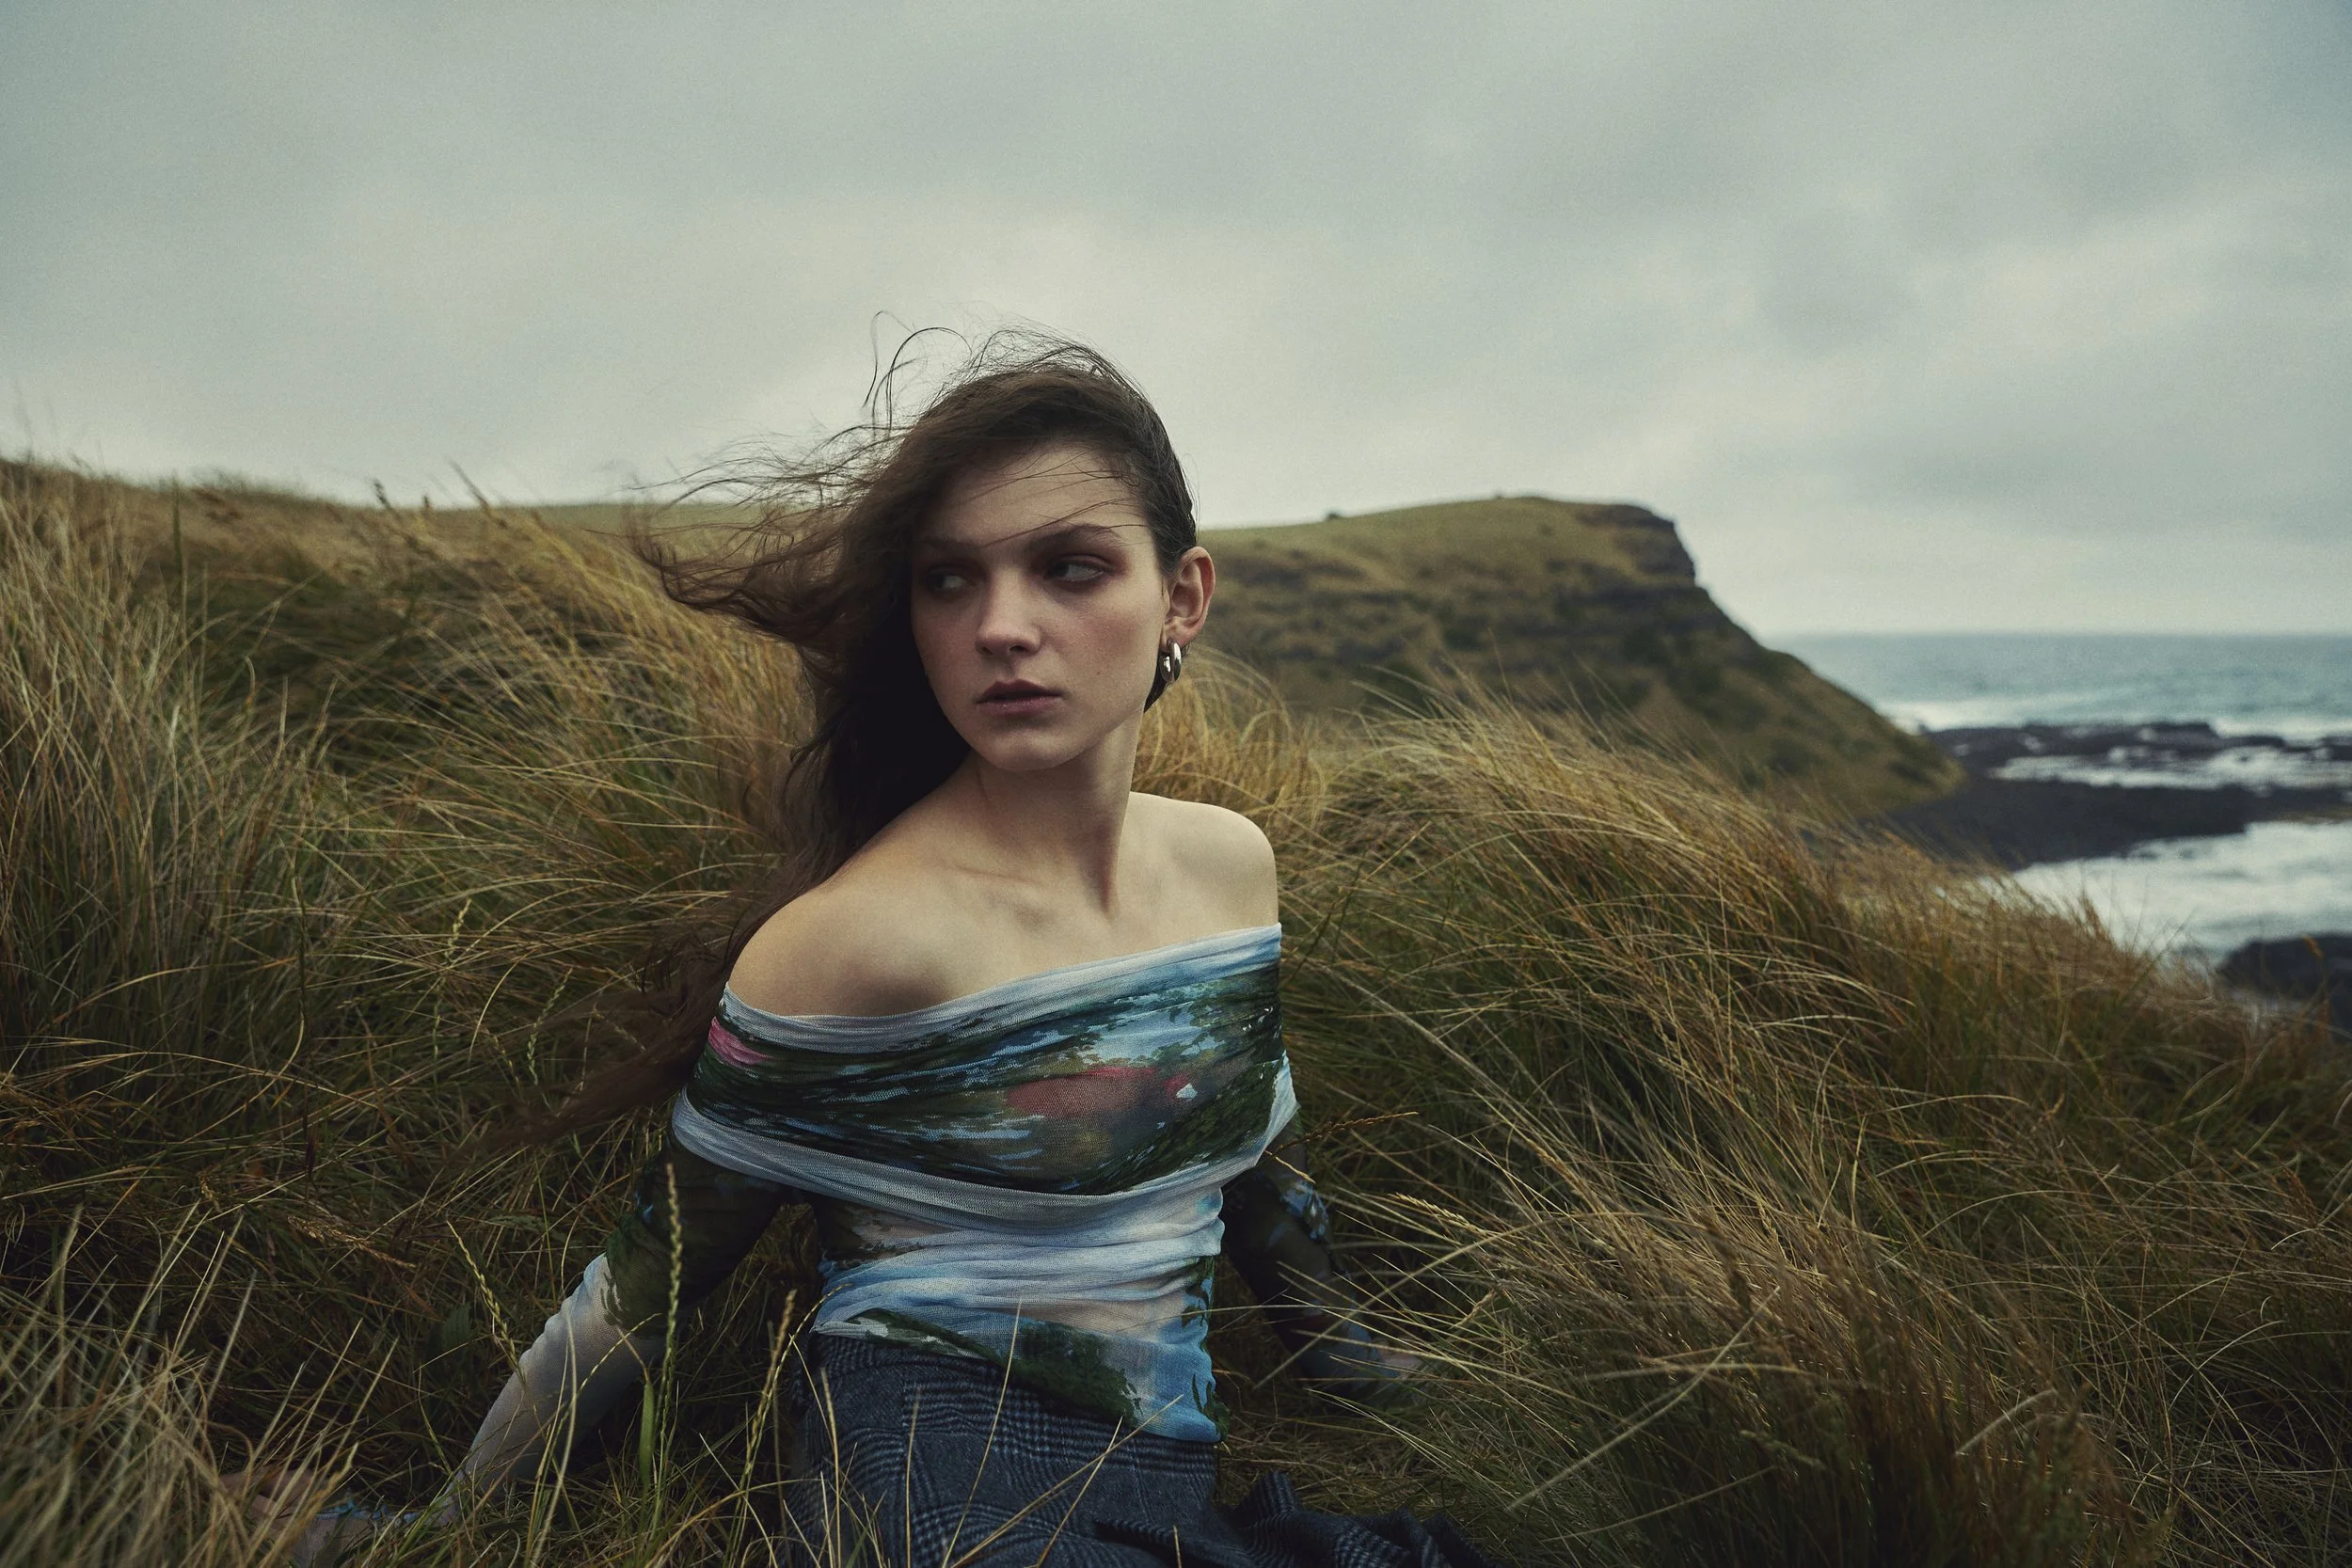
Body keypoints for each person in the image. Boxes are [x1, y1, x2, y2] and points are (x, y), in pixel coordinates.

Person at [256, 337, 1502, 1567]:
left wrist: (1366, 1374)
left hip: (1164, 1479)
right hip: (938, 1492)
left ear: (1182, 597)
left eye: (1070, 567)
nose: (1003, 625)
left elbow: (1256, 1162)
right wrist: (442, 1526)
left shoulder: (1231, 866)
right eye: (949, 580)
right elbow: (644, 1288)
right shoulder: (852, 945)